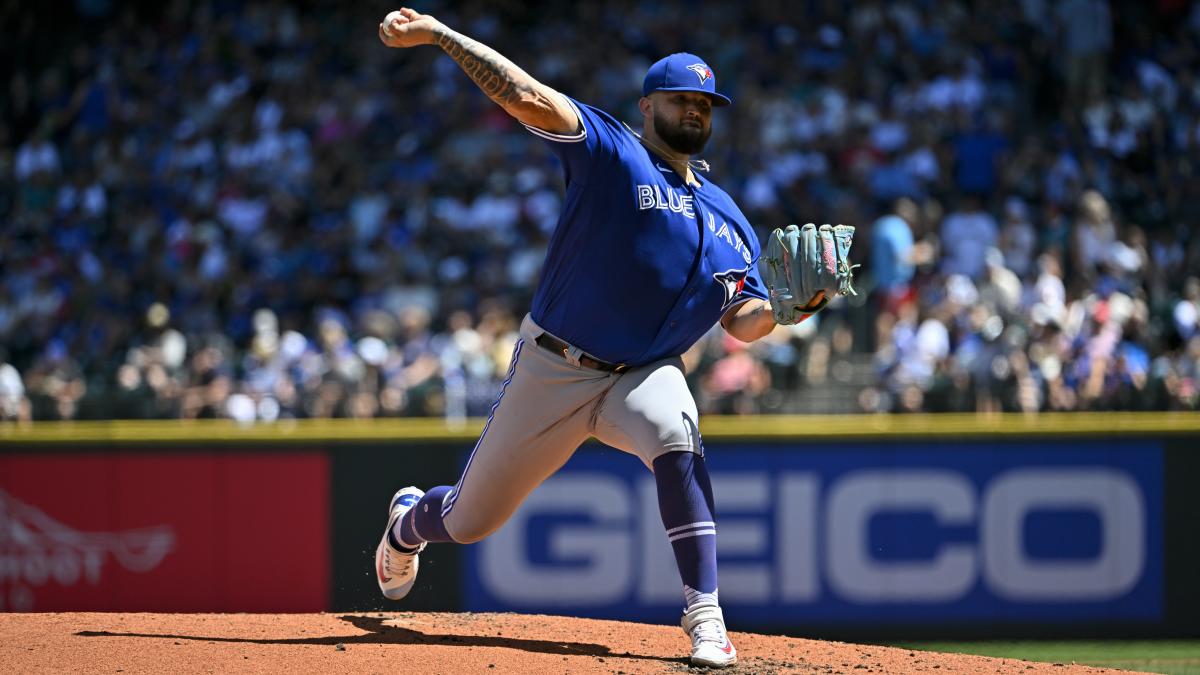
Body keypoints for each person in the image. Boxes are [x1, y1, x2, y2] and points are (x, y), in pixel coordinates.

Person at [373, 8, 815, 667]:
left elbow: (743, 321)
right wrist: (441, 36)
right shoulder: (613, 152)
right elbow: (523, 94)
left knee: (678, 431)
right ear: (647, 105)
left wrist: (792, 305)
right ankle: (408, 523)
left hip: (645, 372)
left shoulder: (733, 222)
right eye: (680, 99)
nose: (694, 110)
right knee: (470, 520)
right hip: (557, 365)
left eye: (704, 103)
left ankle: (705, 617)